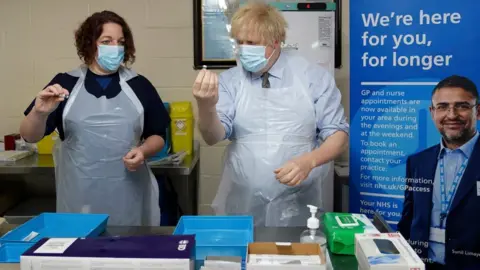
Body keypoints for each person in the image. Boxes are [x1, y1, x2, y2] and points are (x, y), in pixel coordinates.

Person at [192, 2, 349, 227]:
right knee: (243, 257)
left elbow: (339, 136)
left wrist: (309, 161)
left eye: (252, 43)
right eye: (239, 42)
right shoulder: (230, 81)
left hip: (300, 201)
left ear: (275, 42)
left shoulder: (313, 77)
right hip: (243, 200)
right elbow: (212, 136)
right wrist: (206, 106)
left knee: (297, 258)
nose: (243, 49)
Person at [19, 11, 171, 226]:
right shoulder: (65, 83)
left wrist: (144, 151)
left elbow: (157, 135)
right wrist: (39, 112)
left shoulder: (139, 85)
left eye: (120, 42)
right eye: (107, 41)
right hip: (79, 196)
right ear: (90, 44)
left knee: (127, 251)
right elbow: (29, 136)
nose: (115, 48)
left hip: (128, 194)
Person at [398, 75, 480, 270]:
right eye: (442, 107)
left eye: (462, 106)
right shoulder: (418, 162)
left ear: (478, 111)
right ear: (432, 112)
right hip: (423, 264)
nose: (451, 115)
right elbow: (409, 219)